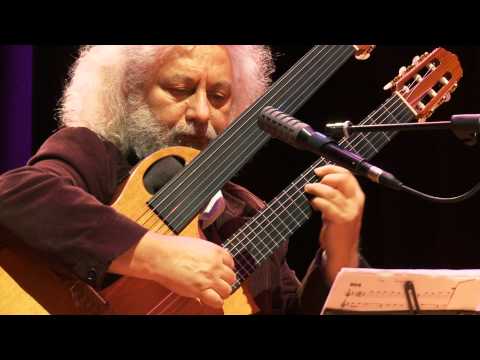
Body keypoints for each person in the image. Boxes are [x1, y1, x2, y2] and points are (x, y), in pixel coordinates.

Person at [0, 45, 366, 314]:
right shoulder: (95, 157)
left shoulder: (247, 213)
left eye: (220, 96)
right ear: (129, 93)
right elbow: (15, 195)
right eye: (180, 89)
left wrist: (340, 252)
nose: (202, 113)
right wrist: (156, 255)